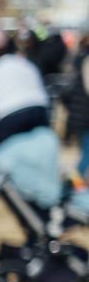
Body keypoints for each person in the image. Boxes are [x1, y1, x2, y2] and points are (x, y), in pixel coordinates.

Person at [63, 34, 89, 178]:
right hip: (85, 115)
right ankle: (71, 185)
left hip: (82, 113)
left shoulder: (82, 56)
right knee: (86, 154)